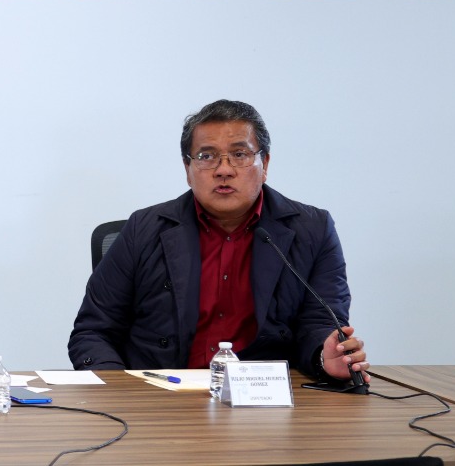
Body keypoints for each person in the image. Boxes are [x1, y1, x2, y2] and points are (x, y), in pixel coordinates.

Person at [69, 99, 369, 380]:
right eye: (207, 156)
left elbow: (320, 323)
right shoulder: (143, 229)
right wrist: (119, 392)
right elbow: (94, 330)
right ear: (188, 170)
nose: (224, 170)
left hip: (267, 397)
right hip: (161, 393)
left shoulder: (313, 229)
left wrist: (324, 357)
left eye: (239, 155)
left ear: (264, 164)